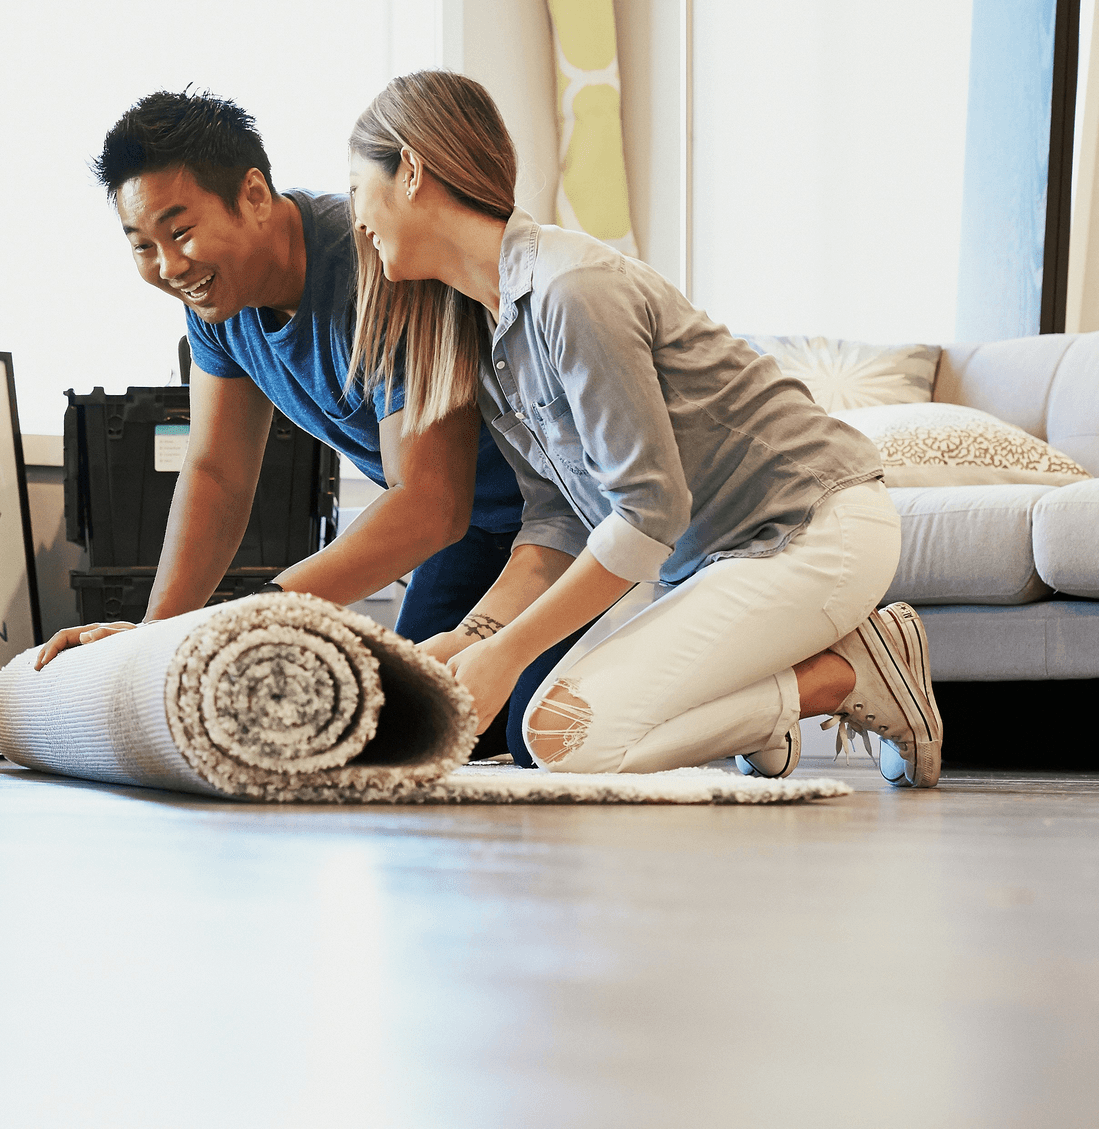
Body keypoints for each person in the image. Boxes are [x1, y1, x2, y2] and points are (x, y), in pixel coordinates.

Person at [344, 69, 941, 785]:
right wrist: (470, 639)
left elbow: (649, 511)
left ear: (410, 169)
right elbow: (559, 519)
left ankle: (845, 676)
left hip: (811, 531)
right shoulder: (487, 329)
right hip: (709, 566)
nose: (356, 219)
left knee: (562, 743)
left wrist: (504, 655)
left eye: (356, 189)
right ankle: (766, 717)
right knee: (548, 726)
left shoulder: (573, 290)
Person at [36, 89, 575, 765]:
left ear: (254, 194)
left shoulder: (378, 269)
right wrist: (157, 637)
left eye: (180, 232)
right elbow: (217, 472)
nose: (170, 267)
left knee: (532, 731)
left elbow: (431, 503)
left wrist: (251, 614)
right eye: (143, 245)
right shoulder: (215, 299)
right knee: (413, 732)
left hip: (557, 524)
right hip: (475, 532)